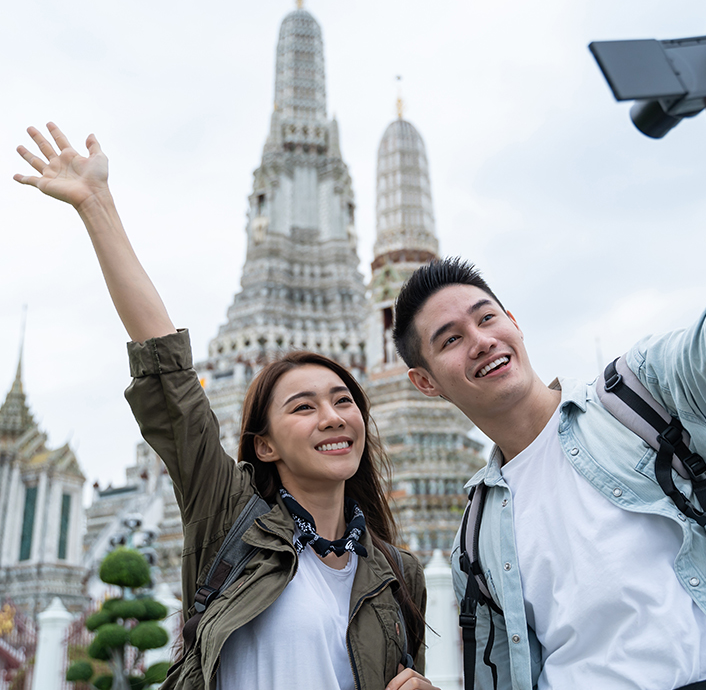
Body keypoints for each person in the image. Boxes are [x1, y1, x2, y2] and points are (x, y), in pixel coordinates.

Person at [391, 17, 706, 690]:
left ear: (514, 321)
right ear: (425, 382)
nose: (481, 341)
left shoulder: (644, 395)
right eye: (450, 339)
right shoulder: (477, 533)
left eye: (486, 317)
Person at [13, 124, 439, 690]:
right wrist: (98, 207)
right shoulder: (230, 522)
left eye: (343, 400)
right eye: (303, 406)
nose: (333, 417)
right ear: (264, 443)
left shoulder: (399, 575)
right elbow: (169, 375)